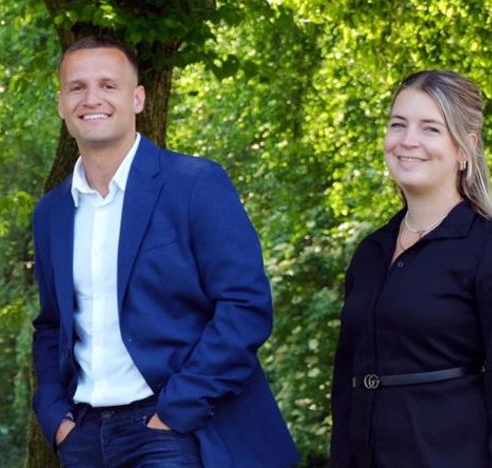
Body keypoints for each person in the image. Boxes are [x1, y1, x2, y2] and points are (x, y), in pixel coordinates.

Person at [28, 36, 297, 467]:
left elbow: (244, 306)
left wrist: (177, 411)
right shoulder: (52, 213)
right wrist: (55, 415)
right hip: (83, 436)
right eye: (76, 87)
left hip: (169, 430)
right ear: (61, 103)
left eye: (108, 85)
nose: (91, 98)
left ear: (137, 98)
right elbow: (51, 325)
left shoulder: (193, 184)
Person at [330, 70, 492, 467]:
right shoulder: (370, 253)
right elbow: (346, 381)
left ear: (464, 149)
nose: (408, 141)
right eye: (398, 124)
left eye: (430, 128)